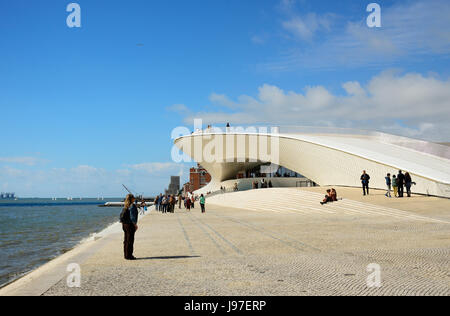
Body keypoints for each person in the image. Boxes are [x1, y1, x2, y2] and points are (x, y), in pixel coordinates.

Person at [120, 194, 138, 260]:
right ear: (132, 199)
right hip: (130, 225)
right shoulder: (132, 206)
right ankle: (129, 256)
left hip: (124, 225)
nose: (134, 198)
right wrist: (135, 225)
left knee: (126, 240)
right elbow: (132, 217)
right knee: (130, 240)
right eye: (133, 197)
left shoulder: (125, 205)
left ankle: (126, 255)